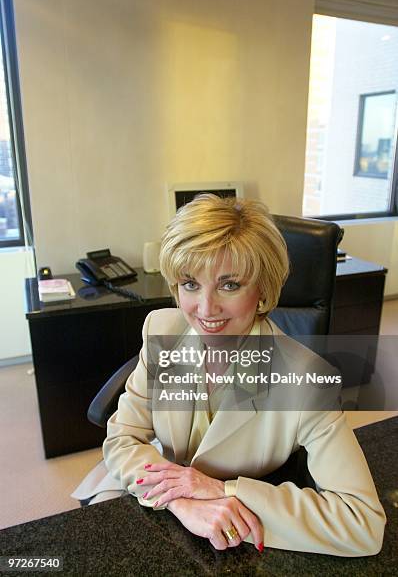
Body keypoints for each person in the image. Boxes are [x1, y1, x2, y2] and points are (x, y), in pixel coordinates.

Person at [72, 194, 385, 556]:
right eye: (190, 283)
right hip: (151, 485)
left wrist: (224, 490)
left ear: (263, 289)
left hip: (237, 523)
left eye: (229, 285)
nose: (205, 309)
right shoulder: (163, 329)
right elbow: (123, 438)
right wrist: (182, 502)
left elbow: (361, 522)